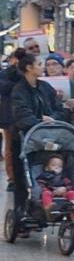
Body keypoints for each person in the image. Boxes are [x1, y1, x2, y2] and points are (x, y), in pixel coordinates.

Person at [11, 53, 67, 211]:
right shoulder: (19, 90)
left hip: (50, 138)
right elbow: (22, 116)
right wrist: (39, 120)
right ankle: (23, 209)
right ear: (29, 68)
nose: (43, 67)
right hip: (27, 140)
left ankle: (49, 204)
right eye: (40, 64)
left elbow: (59, 109)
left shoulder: (45, 87)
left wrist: (52, 119)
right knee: (24, 176)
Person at [0, 48, 23, 191]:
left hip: (26, 116)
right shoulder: (7, 73)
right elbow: (3, 87)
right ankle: (12, 178)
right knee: (10, 148)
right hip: (10, 117)